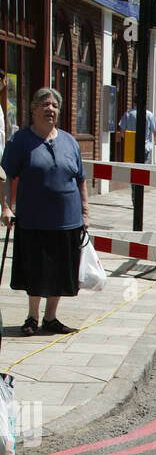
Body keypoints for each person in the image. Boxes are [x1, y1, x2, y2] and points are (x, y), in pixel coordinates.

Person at [0, 87, 88, 336]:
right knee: (36, 270)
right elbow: (5, 175)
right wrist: (6, 207)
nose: (51, 109)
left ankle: (51, 318)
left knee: (61, 271)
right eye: (45, 104)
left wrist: (85, 212)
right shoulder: (20, 141)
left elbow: (80, 179)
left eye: (55, 106)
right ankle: (32, 316)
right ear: (33, 108)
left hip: (67, 220)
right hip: (34, 219)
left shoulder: (69, 141)